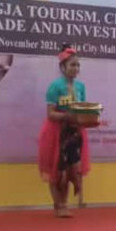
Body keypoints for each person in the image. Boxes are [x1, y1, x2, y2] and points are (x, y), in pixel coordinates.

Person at [38, 44, 90, 218]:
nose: (76, 68)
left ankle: (64, 204)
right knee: (57, 171)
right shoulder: (55, 86)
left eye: (78, 65)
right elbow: (50, 114)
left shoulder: (81, 86)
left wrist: (89, 117)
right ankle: (59, 205)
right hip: (57, 133)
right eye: (72, 65)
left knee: (71, 170)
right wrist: (67, 116)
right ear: (63, 67)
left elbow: (82, 109)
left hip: (74, 133)